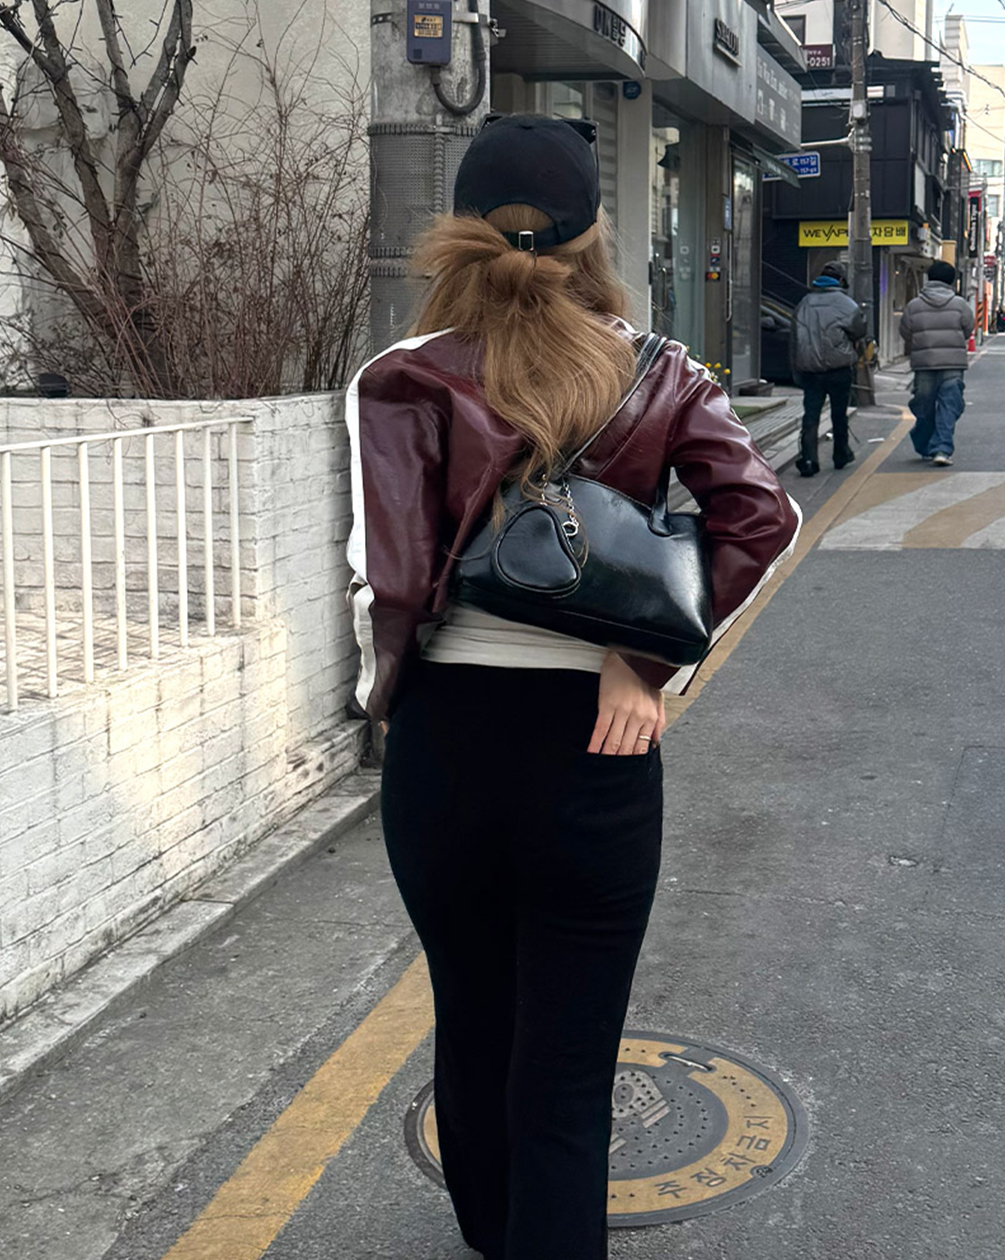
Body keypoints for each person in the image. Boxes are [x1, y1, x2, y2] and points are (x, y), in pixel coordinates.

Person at [345, 113, 800, 1260]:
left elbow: (388, 579)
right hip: (599, 743)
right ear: (595, 234)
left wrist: (386, 705)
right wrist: (640, 663)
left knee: (472, 1019)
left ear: (459, 228)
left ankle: (490, 1233)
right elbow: (763, 517)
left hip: (446, 748)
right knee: (568, 1062)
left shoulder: (398, 380)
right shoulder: (659, 370)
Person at [789, 260, 867, 477]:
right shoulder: (847, 304)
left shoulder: (804, 303)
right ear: (841, 280)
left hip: (811, 369)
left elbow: (794, 339)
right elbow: (860, 331)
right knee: (839, 413)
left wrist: (796, 370)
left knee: (811, 414)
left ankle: (808, 459)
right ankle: (841, 454)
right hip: (839, 368)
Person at [900, 260, 974, 467]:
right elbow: (968, 329)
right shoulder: (960, 304)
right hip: (953, 364)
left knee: (924, 406)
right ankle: (942, 449)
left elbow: (906, 332)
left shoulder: (914, 305)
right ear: (951, 281)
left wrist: (922, 344)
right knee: (949, 405)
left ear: (929, 278)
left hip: (924, 364)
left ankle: (924, 444)